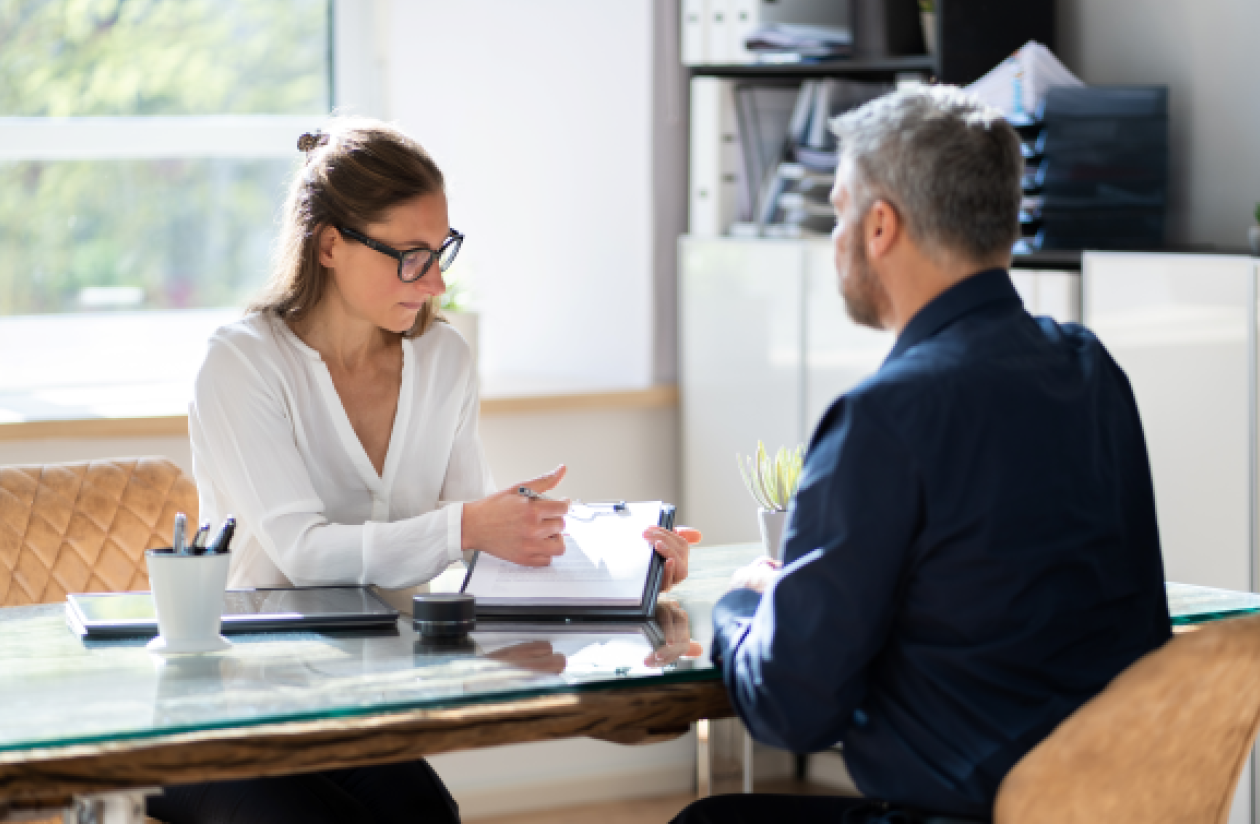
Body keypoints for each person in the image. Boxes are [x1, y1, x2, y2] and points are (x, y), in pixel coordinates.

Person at [150, 117, 699, 824]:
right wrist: (468, 524)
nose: (435, 280)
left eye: (441, 253)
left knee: (428, 820)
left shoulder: (443, 360)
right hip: (233, 705)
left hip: (366, 696)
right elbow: (306, 552)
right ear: (329, 247)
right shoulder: (242, 363)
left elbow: (481, 544)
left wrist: (630, 566)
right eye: (411, 256)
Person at [673, 85, 1171, 824]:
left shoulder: (883, 418)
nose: (834, 235)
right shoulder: (1090, 370)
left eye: (838, 208)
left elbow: (790, 709)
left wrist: (744, 604)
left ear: (880, 226)